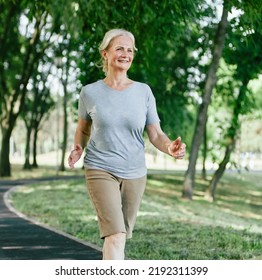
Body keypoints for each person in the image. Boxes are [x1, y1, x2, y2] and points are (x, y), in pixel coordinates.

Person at [68, 28, 186, 260]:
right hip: (100, 167)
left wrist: (170, 147)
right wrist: (77, 147)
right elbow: (83, 128)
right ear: (105, 53)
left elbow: (155, 133)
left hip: (135, 172)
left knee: (121, 237)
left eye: (130, 50)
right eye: (119, 48)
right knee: (115, 235)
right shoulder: (89, 92)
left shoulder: (143, 92)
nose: (125, 54)